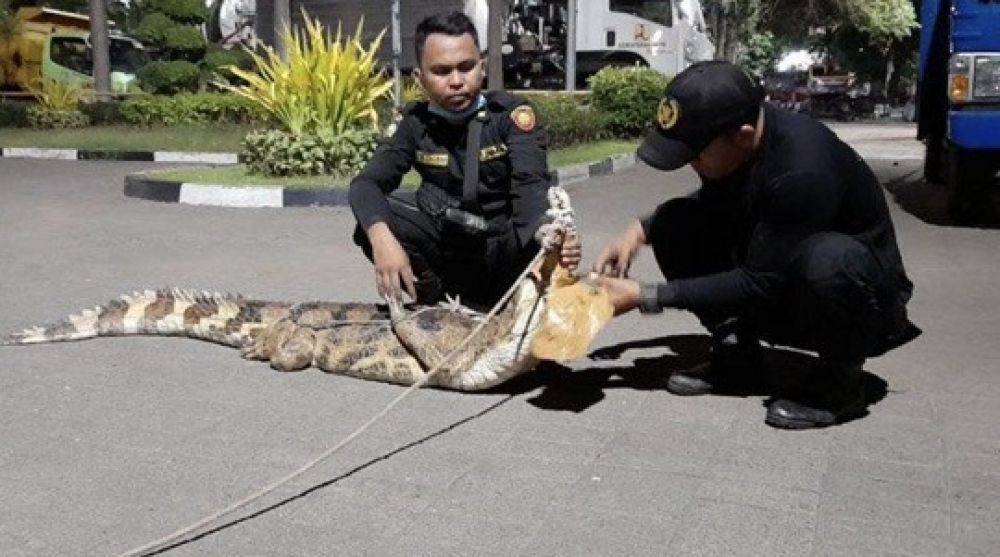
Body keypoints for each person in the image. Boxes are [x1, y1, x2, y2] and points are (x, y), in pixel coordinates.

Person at [593, 61, 921, 429]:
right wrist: (637, 231)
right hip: (782, 278)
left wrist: (644, 295)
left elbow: (759, 280)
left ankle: (840, 383)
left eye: (696, 154)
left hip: (860, 303)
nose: (691, 165)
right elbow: (721, 205)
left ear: (743, 135)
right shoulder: (746, 146)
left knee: (828, 259)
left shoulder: (802, 170)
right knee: (674, 220)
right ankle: (738, 358)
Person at [349, 11, 579, 310]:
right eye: (442, 71)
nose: (457, 81)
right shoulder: (415, 124)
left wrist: (546, 231)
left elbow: (531, 188)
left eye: (466, 67)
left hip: (507, 250)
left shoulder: (510, 117)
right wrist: (381, 239)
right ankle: (441, 306)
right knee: (372, 224)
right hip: (451, 249)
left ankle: (522, 304)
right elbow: (366, 184)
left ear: (481, 67)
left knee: (550, 236)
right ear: (419, 77)